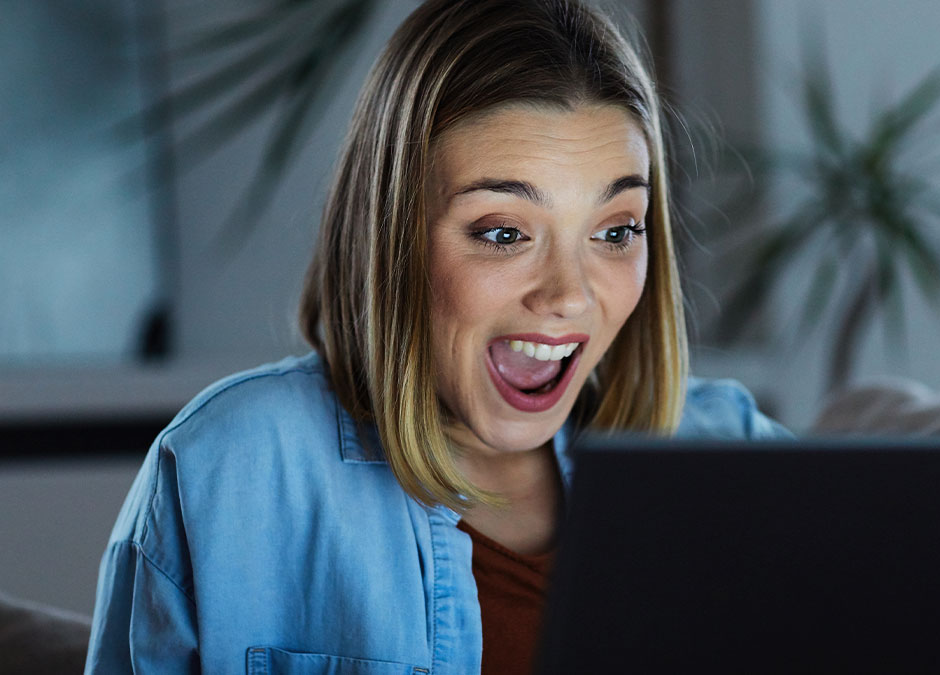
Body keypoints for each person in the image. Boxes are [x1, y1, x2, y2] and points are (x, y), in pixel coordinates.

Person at [84, 0, 792, 672]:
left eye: (615, 231)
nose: (570, 293)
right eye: (504, 232)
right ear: (394, 236)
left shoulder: (732, 451)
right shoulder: (231, 469)